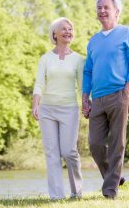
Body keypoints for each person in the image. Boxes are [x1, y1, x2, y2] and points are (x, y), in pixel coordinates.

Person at [82, 0, 129, 199]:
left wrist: (128, 89)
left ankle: (110, 191)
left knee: (118, 143)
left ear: (117, 12)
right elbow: (88, 71)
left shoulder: (127, 33)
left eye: (106, 7)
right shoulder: (94, 41)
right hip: (97, 99)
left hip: (119, 94)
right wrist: (85, 97)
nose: (102, 10)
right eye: (99, 7)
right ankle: (115, 176)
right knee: (95, 144)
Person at [32, 17, 84, 200]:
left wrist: (86, 103)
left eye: (70, 29)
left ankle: (76, 192)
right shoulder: (45, 58)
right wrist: (35, 105)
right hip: (47, 109)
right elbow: (39, 83)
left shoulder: (79, 59)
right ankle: (56, 196)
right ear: (55, 33)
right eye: (64, 29)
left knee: (69, 151)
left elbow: (82, 86)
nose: (68, 31)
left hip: (69, 109)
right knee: (52, 153)